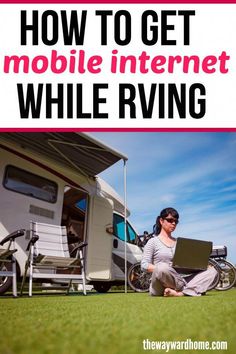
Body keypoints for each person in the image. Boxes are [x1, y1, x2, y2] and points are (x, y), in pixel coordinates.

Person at [141, 207, 218, 297]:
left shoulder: (179, 243)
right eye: (170, 220)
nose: (173, 223)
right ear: (161, 221)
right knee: (162, 267)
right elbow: (144, 265)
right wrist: (166, 268)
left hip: (179, 280)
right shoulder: (153, 242)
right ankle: (189, 289)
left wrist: (202, 266)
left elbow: (186, 264)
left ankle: (180, 293)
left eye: (176, 221)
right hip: (160, 284)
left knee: (212, 271)